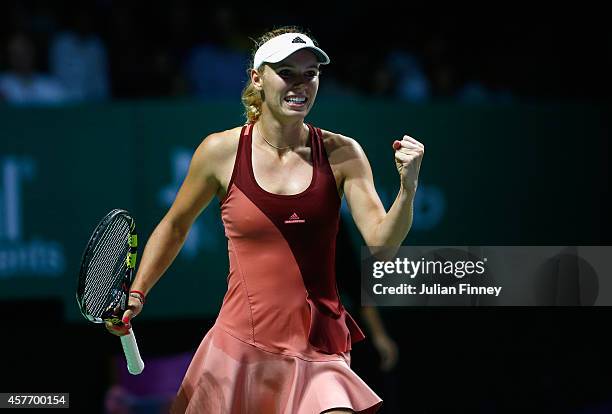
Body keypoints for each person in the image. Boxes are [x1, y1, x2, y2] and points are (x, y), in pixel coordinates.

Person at [106, 26, 424, 414]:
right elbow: (175, 225)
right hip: (238, 348)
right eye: (286, 72)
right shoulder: (220, 152)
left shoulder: (344, 153)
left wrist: (407, 190)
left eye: (310, 73)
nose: (300, 83)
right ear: (257, 78)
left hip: (318, 351)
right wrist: (137, 293)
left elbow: (381, 244)